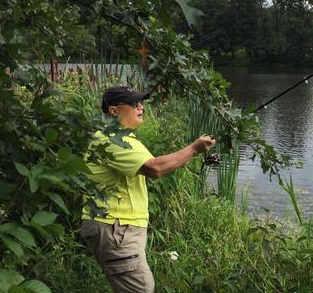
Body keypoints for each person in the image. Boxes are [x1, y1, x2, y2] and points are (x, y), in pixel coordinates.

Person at [81, 86, 214, 292]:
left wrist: (183, 157)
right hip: (116, 229)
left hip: (116, 228)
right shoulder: (113, 139)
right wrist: (194, 148)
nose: (141, 107)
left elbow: (149, 165)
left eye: (141, 102)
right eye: (134, 103)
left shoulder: (118, 137)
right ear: (114, 111)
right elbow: (154, 168)